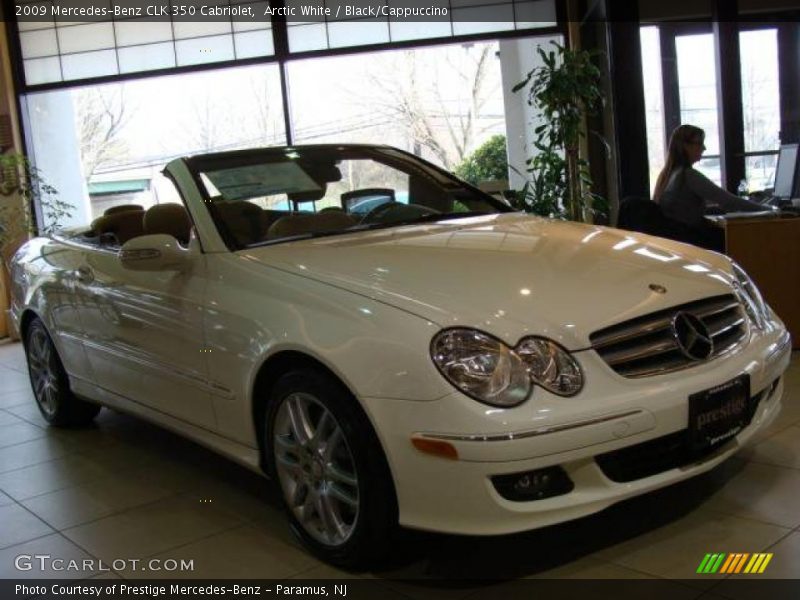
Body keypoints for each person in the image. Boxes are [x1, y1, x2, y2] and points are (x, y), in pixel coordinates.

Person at [653, 125, 766, 228]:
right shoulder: (687, 175)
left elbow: (685, 209)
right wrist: (769, 210)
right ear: (686, 146)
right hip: (693, 239)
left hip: (679, 239)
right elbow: (728, 200)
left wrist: (718, 208)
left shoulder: (668, 174)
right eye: (700, 143)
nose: (704, 148)